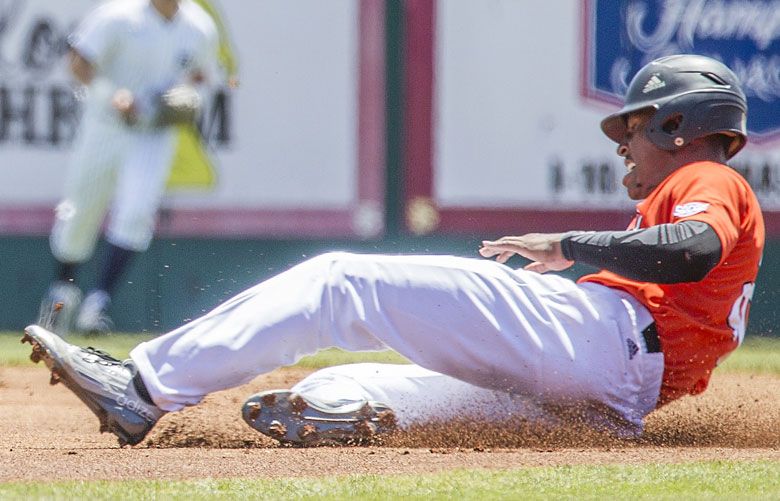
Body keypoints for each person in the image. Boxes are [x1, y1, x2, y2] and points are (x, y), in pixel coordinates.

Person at [24, 54, 764, 447]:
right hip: (612, 399)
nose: (623, 146)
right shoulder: (699, 184)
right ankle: (338, 415)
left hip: (599, 338)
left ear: (676, 124)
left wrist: (567, 243)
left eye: (631, 128)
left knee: (341, 283)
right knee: (353, 387)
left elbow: (692, 249)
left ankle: (144, 387)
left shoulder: (707, 176)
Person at [37, 0, 219, 335]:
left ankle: (98, 302)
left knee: (136, 212)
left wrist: (188, 96)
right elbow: (78, 62)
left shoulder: (198, 26)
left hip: (152, 132)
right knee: (80, 212)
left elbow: (199, 75)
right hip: (106, 125)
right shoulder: (118, 15)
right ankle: (63, 290)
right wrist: (111, 94)